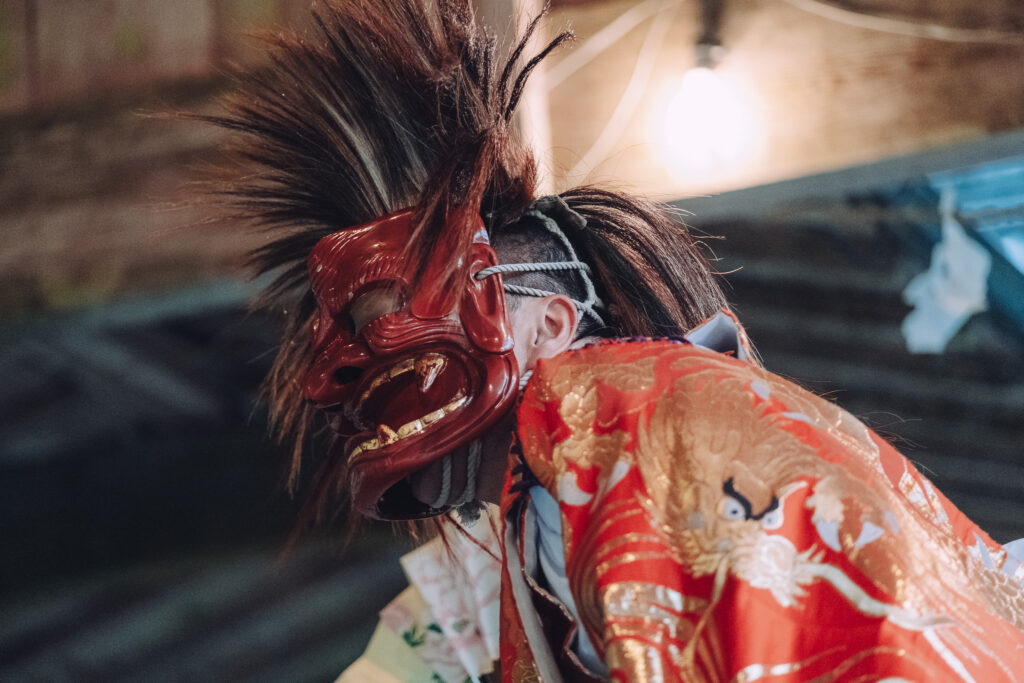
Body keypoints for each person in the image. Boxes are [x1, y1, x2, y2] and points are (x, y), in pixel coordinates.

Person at [205, 0, 1024, 680]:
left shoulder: (600, 407)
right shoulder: (586, 473)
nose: (338, 372)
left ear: (552, 323)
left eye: (379, 316)